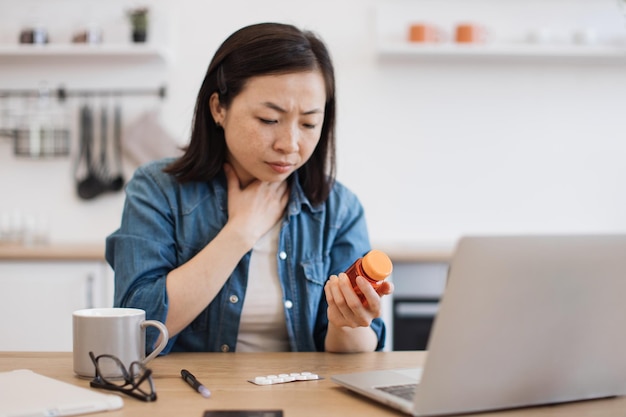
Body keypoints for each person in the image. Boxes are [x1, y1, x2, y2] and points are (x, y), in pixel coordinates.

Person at [106, 22, 394, 355]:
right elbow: (134, 333)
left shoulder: (338, 209)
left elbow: (350, 358)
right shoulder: (157, 190)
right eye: (269, 120)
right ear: (219, 108)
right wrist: (240, 232)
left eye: (309, 123)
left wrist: (348, 324)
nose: (289, 144)